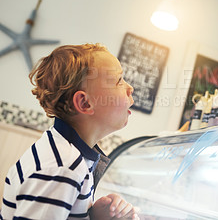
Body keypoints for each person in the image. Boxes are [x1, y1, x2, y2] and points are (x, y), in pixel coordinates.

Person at [1, 43, 137, 219]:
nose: (130, 88)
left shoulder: (66, 154)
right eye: (119, 80)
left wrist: (93, 215)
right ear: (85, 103)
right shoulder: (63, 168)